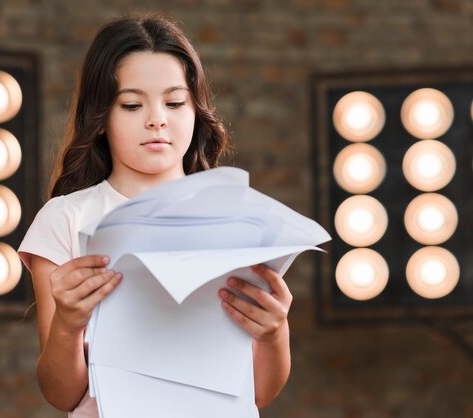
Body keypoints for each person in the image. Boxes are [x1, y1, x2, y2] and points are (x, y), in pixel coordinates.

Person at [18, 14, 293, 417]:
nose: (157, 119)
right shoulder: (66, 219)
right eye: (131, 104)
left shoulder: (239, 216)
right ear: (100, 117)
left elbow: (258, 394)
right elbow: (61, 394)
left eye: (175, 102)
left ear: (195, 110)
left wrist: (274, 333)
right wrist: (67, 325)